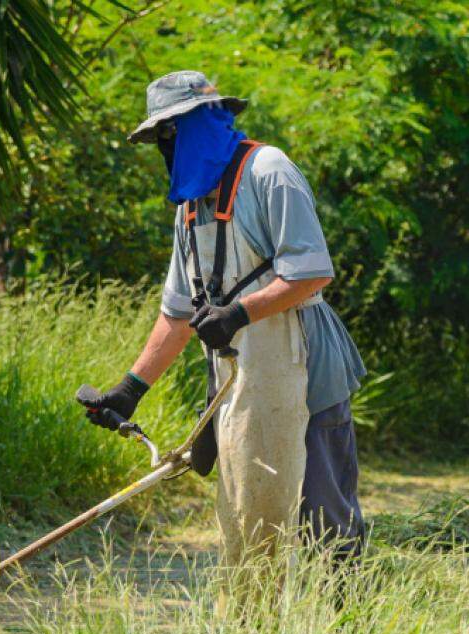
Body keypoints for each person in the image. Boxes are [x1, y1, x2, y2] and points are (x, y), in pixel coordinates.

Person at [81, 71, 367, 605]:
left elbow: (311, 273)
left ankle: (346, 633)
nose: (164, 148)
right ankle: (255, 631)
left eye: (170, 135)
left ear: (202, 125)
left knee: (325, 514)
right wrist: (130, 388)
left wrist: (238, 313)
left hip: (303, 360)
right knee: (249, 509)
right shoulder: (189, 207)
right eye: (158, 140)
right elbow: (177, 313)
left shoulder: (268, 171)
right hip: (237, 378)